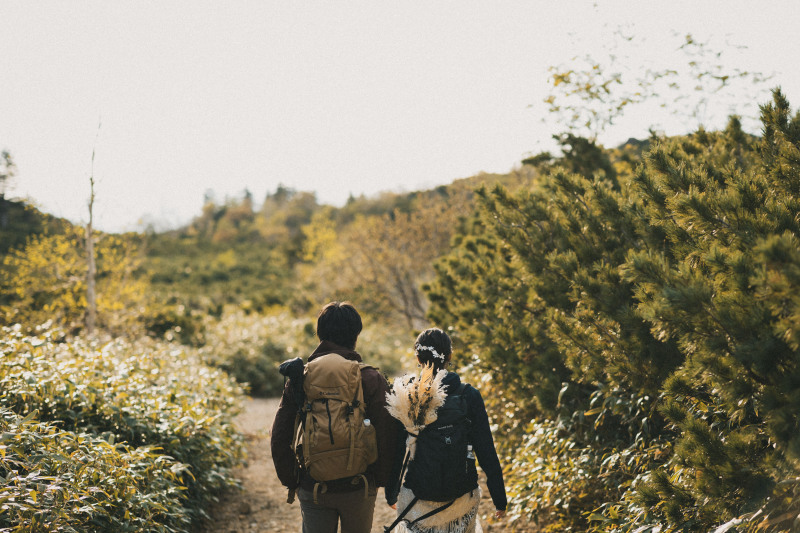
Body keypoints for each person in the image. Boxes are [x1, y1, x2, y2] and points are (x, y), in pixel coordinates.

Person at [271, 301, 397, 533]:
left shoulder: (301, 377)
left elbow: (280, 435)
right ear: (355, 335)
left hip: (313, 486)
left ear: (320, 333)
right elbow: (388, 432)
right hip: (358, 485)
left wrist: (293, 480)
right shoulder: (368, 377)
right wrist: (378, 479)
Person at [384, 328, 506, 533]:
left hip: (417, 495)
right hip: (462, 498)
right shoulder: (469, 395)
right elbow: (486, 450)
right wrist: (499, 499)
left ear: (418, 357)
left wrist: (391, 492)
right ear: (449, 356)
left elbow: (397, 451)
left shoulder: (407, 396)